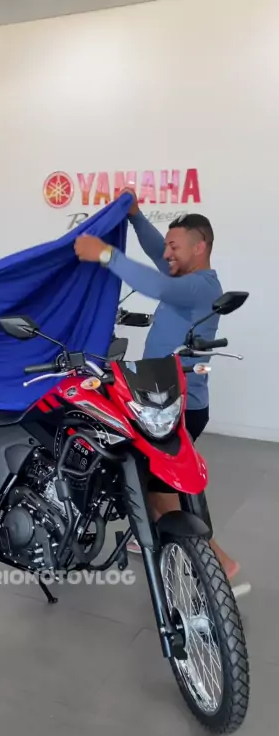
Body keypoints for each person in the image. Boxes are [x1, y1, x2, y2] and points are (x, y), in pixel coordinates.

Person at [74, 188, 247, 590]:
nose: (166, 253)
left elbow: (159, 287)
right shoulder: (184, 275)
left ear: (200, 247)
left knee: (155, 490)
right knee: (155, 478)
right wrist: (136, 216)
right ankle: (150, 532)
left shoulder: (200, 286)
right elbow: (158, 257)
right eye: (166, 245)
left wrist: (105, 254)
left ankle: (219, 563)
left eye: (175, 246)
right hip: (162, 398)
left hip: (178, 406)